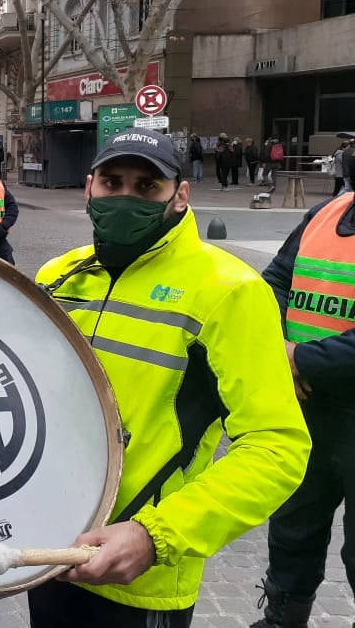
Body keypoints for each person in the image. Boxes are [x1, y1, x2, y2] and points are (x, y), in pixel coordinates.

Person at [31, 128, 310, 628]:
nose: (124, 198)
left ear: (180, 196)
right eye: (112, 183)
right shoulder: (59, 275)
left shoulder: (230, 291)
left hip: (142, 577)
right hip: (49, 553)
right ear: (88, 186)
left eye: (146, 187)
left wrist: (156, 536)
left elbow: (277, 448)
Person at [251, 171, 355, 628]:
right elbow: (272, 282)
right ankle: (281, 620)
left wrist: (301, 360)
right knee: (293, 530)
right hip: (308, 410)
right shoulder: (326, 214)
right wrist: (280, 351)